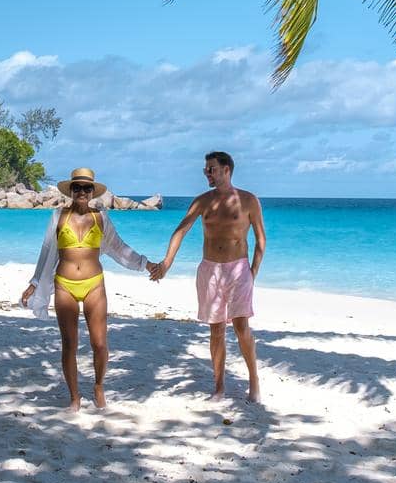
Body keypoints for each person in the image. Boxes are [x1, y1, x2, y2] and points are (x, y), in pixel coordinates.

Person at [20, 167, 153, 411]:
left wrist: (146, 264)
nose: (82, 191)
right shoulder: (58, 216)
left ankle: (99, 386)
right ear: (71, 190)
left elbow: (118, 248)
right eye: (77, 187)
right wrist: (35, 282)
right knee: (69, 343)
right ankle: (74, 397)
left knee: (100, 343)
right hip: (64, 286)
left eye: (87, 188)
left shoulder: (101, 217)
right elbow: (47, 251)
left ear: (93, 192)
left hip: (94, 285)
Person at [150, 151, 265, 402]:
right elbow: (181, 230)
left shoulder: (248, 200)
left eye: (211, 169)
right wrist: (167, 262)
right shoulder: (202, 201)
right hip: (210, 269)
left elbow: (261, 240)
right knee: (216, 330)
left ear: (226, 170)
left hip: (239, 269)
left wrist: (252, 272)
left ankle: (253, 379)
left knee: (241, 326)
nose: (207, 173)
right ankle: (219, 387)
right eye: (206, 170)